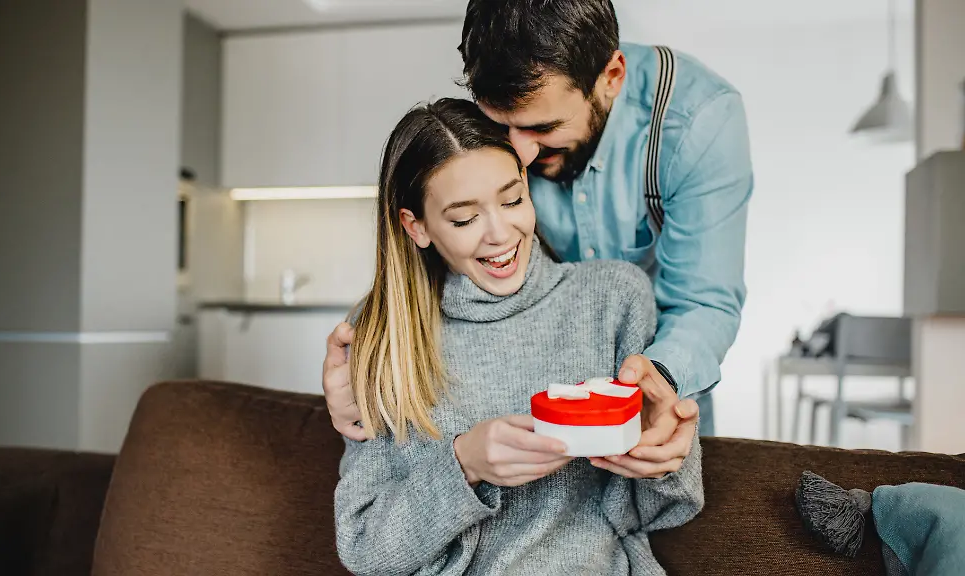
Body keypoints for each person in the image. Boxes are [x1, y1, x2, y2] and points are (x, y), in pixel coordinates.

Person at [323, 0, 753, 473]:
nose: (521, 152)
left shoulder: (697, 121)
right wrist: (372, 372)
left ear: (611, 77)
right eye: (502, 126)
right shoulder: (514, 112)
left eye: (542, 128)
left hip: (657, 371)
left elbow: (704, 301)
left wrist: (661, 381)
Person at [334, 97, 702, 576]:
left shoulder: (612, 298)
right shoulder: (384, 334)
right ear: (417, 226)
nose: (500, 234)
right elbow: (363, 548)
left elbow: (665, 509)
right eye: (464, 218)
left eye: (512, 200)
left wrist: (666, 449)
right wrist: (463, 466)